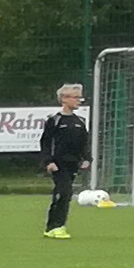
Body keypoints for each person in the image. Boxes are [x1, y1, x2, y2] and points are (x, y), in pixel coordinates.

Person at [41, 82, 90, 235]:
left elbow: (84, 143)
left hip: (73, 163)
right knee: (64, 192)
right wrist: (48, 161)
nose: (79, 101)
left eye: (80, 98)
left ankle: (55, 226)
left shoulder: (80, 121)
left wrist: (87, 158)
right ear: (64, 99)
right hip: (58, 164)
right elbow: (46, 142)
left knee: (65, 194)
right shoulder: (55, 120)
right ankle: (55, 226)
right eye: (75, 98)